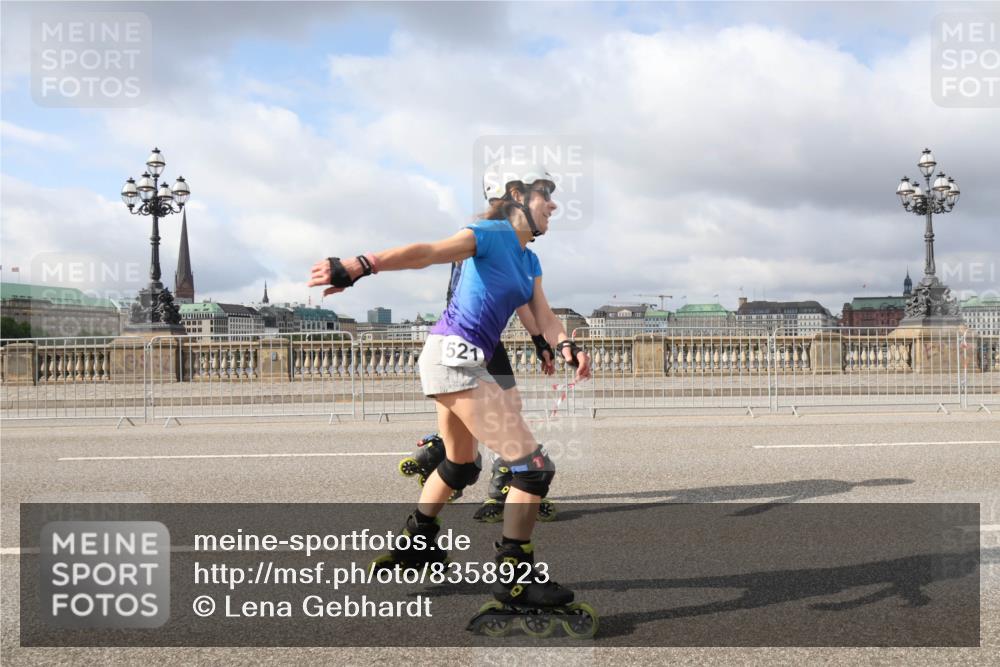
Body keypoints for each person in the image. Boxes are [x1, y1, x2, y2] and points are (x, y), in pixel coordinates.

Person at [308, 164, 595, 636]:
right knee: (533, 467)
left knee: (462, 465)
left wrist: (562, 345)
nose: (554, 204)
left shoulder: (528, 259)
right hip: (452, 360)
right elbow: (426, 253)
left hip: (461, 361)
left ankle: (418, 539)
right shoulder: (488, 233)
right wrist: (360, 265)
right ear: (516, 195)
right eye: (547, 194)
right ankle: (516, 581)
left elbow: (543, 315)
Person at [397, 265, 558, 520]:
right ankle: (501, 480)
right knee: (506, 410)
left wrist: (539, 340)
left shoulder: (484, 246)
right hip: (478, 341)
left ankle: (442, 452)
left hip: (465, 338)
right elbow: (515, 299)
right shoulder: (493, 245)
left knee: (479, 414)